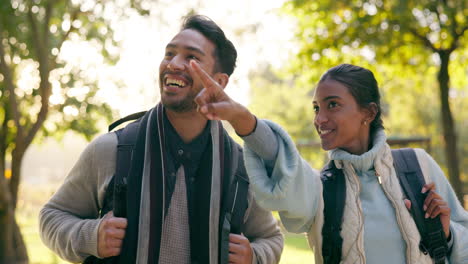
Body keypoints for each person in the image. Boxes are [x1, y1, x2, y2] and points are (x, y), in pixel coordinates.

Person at [39, 15, 283, 264]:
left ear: (219, 82)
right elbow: (52, 216)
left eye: (191, 57)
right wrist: (91, 236)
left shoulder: (241, 167)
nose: (174, 64)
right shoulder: (112, 150)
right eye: (169, 54)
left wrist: (254, 256)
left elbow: (271, 238)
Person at [190, 62, 468, 263]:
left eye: (332, 105)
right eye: (316, 108)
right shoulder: (320, 190)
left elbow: (462, 237)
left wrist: (446, 234)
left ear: (368, 112)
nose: (319, 119)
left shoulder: (417, 165)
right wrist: (242, 119)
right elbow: (281, 160)